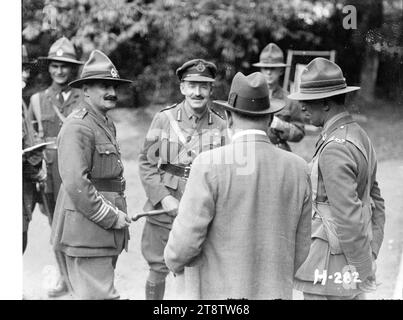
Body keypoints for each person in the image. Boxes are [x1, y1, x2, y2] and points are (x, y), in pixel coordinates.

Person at [163, 72, 312, 299]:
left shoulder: (208, 164)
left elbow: (184, 244)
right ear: (271, 119)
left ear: (229, 118)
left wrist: (173, 261)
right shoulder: (299, 167)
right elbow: (302, 249)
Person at [289, 58, 386, 300]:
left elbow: (347, 215)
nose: (302, 107)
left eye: (307, 102)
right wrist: (370, 254)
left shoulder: (335, 148)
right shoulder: (357, 134)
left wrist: (363, 270)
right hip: (351, 260)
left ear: (325, 104)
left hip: (330, 265)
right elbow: (376, 203)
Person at [138, 59, 227, 300]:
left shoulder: (221, 125)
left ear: (211, 89)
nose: (197, 92)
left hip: (203, 210)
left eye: (203, 86)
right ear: (182, 88)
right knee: (158, 267)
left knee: (198, 270)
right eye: (191, 85)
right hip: (165, 209)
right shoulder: (164, 120)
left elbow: (227, 172)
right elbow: (146, 163)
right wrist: (164, 198)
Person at [50, 50, 132, 299]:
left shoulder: (104, 122)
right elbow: (76, 183)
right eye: (104, 86)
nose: (112, 92)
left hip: (100, 231)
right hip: (88, 229)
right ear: (85, 90)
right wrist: (110, 217)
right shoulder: (78, 125)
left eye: (114, 86)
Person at [28, 36, 84, 224]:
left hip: (80, 171)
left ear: (72, 68)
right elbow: (29, 141)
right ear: (49, 67)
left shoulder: (85, 99)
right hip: (50, 175)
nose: (59, 71)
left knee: (79, 226)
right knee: (56, 227)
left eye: (64, 66)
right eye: (55, 66)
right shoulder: (37, 100)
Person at [253, 43, 305, 151]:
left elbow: (300, 133)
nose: (268, 72)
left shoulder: (290, 100)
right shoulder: (250, 96)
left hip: (279, 151)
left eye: (273, 68)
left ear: (281, 70)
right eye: (265, 68)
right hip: (254, 150)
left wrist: (281, 125)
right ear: (260, 70)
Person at [22, 44, 47, 254]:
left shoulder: (20, 102)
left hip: (25, 186)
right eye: (21, 68)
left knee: (22, 236)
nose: (25, 73)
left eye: (26, 68)